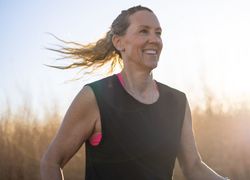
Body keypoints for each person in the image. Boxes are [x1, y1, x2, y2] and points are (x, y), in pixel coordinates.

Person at [40, 5, 229, 180]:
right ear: (119, 42)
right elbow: (51, 162)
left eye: (158, 33)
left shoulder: (177, 101)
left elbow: (194, 166)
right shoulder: (95, 97)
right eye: (143, 31)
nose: (154, 39)